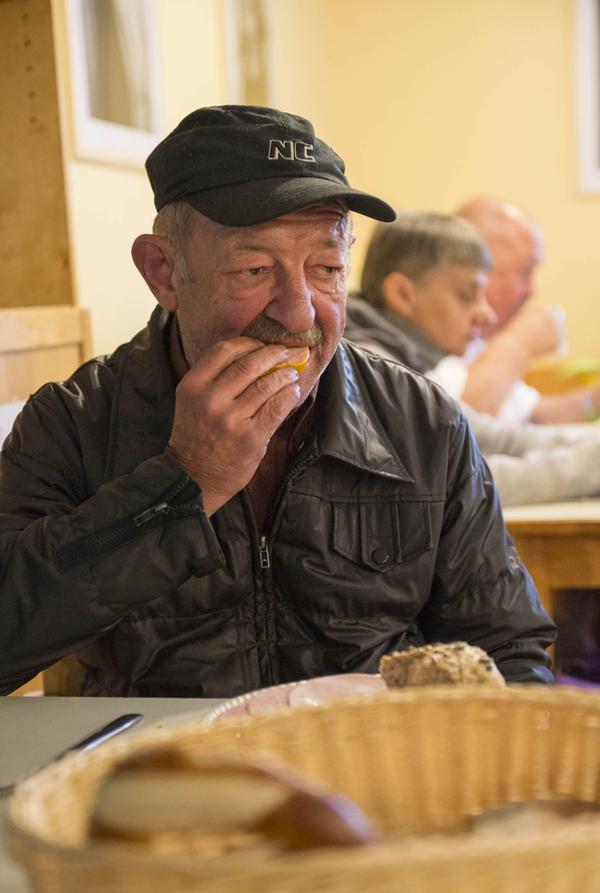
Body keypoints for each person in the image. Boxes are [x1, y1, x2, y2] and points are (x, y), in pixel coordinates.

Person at [0, 105, 555, 697]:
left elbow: (509, 648)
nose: (299, 313)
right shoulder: (75, 421)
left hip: (369, 768)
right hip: (157, 774)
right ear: (164, 272)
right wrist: (184, 484)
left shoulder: (421, 420)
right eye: (254, 268)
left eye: (326, 267)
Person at [345, 212, 600, 506]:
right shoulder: (374, 371)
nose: (485, 314)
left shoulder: (401, 362)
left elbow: (490, 437)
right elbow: (462, 481)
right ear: (403, 295)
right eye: (467, 295)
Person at [454, 197, 600, 424]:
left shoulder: (481, 343)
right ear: (477, 269)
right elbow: (459, 428)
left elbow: (532, 414)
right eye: (525, 272)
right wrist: (519, 343)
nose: (532, 290)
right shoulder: (436, 341)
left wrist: (599, 398)